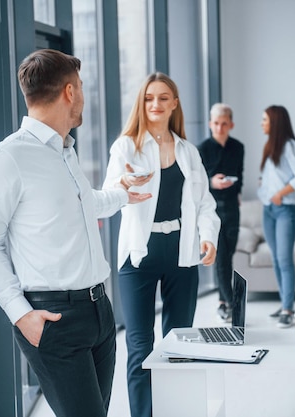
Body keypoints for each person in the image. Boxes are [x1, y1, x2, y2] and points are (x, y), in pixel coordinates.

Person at [0, 49, 151, 417]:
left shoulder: (65, 151)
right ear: (69, 92)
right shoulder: (8, 159)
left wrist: (123, 194)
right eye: (82, 87)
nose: (84, 96)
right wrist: (21, 315)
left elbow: (84, 205)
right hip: (52, 319)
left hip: (98, 311)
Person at [102, 72, 220, 417]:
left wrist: (208, 237)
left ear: (174, 103)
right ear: (142, 103)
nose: (156, 104)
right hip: (139, 256)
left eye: (163, 97)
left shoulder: (188, 151)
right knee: (140, 346)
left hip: (181, 255)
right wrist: (122, 184)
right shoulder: (126, 146)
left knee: (180, 344)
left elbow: (205, 204)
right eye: (149, 98)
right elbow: (107, 195)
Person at [257, 105, 295, 328]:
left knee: (285, 260)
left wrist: (279, 193)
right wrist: (264, 189)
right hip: (268, 209)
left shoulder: (291, 146)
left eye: (265, 119)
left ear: (275, 122)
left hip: (286, 209)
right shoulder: (270, 146)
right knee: (276, 259)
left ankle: (288, 309)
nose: (262, 123)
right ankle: (284, 303)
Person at [198, 103, 244, 322]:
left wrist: (236, 191)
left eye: (224, 123)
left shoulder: (238, 147)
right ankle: (233, 306)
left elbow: (240, 176)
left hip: (232, 208)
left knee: (228, 256)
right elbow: (196, 184)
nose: (219, 127)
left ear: (231, 125)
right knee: (221, 258)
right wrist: (212, 183)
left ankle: (222, 303)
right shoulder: (202, 149)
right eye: (216, 123)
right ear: (210, 124)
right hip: (212, 210)